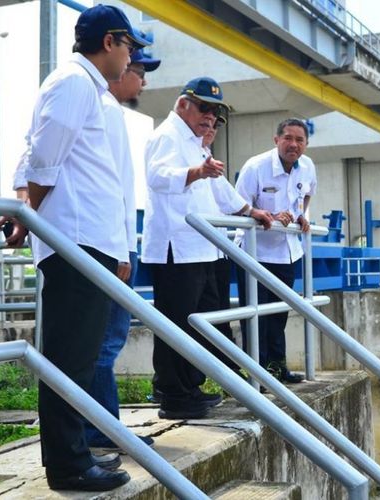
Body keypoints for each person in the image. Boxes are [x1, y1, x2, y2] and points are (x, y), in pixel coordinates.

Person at [23, 4, 148, 492]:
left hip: (89, 241)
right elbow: (42, 154)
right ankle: (69, 465)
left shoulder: (89, 90)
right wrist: (30, 216)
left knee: (77, 357)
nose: (132, 55)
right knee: (69, 360)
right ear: (111, 41)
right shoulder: (74, 82)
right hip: (74, 242)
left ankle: (75, 456)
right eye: (130, 45)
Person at [141, 77, 271, 420]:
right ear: (183, 103)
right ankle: (173, 393)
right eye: (204, 108)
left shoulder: (196, 143)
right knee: (176, 322)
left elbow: (220, 189)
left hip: (203, 248)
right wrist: (197, 171)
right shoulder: (167, 136)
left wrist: (249, 210)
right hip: (177, 248)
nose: (210, 118)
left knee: (199, 322)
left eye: (215, 114)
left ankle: (191, 387)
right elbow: (157, 176)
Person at [83, 46, 161, 450]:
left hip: (113, 241)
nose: (143, 81)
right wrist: (120, 252)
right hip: (109, 245)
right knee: (106, 342)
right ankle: (102, 430)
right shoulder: (103, 109)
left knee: (101, 343)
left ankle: (99, 428)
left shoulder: (110, 112)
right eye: (139, 70)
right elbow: (108, 190)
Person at [235, 118, 317, 383]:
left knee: (279, 313)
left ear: (305, 144)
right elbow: (238, 206)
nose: (293, 144)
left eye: (299, 140)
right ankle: (256, 374)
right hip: (254, 253)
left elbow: (307, 194)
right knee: (255, 316)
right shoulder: (256, 167)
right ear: (276, 140)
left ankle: (277, 369)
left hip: (287, 252)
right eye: (288, 138)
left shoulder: (307, 167)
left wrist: (302, 215)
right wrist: (267, 215)